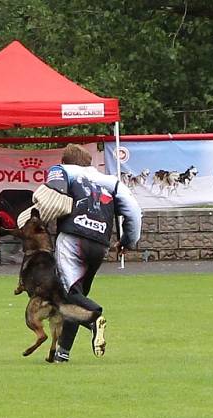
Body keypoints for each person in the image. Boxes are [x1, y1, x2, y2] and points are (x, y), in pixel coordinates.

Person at [45, 144, 142, 363]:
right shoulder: (112, 181)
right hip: (99, 243)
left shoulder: (62, 170)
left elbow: (51, 194)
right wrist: (128, 240)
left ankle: (94, 318)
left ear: (66, 160)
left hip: (72, 237)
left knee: (68, 294)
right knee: (77, 298)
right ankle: (62, 353)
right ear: (90, 163)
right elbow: (134, 212)